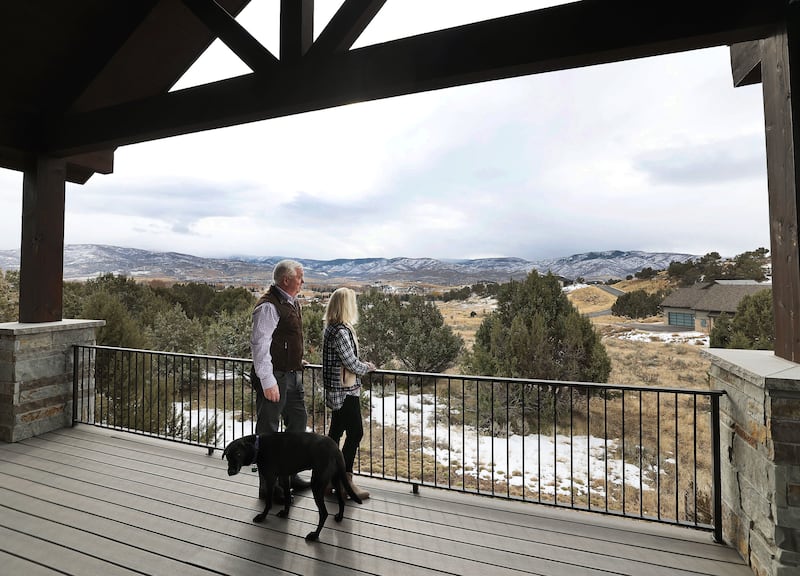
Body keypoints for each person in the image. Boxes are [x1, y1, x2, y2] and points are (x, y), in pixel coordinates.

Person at [250, 259, 311, 499]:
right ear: (286, 279)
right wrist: (267, 380)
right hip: (276, 378)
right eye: (300, 277)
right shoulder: (268, 306)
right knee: (269, 432)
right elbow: (260, 345)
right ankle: (268, 487)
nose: (302, 281)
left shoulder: (290, 302)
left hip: (291, 374)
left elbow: (283, 341)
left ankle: (289, 476)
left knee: (298, 426)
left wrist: (295, 360)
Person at [322, 287, 376, 500]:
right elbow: (350, 363)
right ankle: (345, 481)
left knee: (334, 435)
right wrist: (367, 368)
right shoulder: (342, 332)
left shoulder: (330, 328)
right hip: (346, 391)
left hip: (336, 390)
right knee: (355, 433)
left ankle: (328, 479)